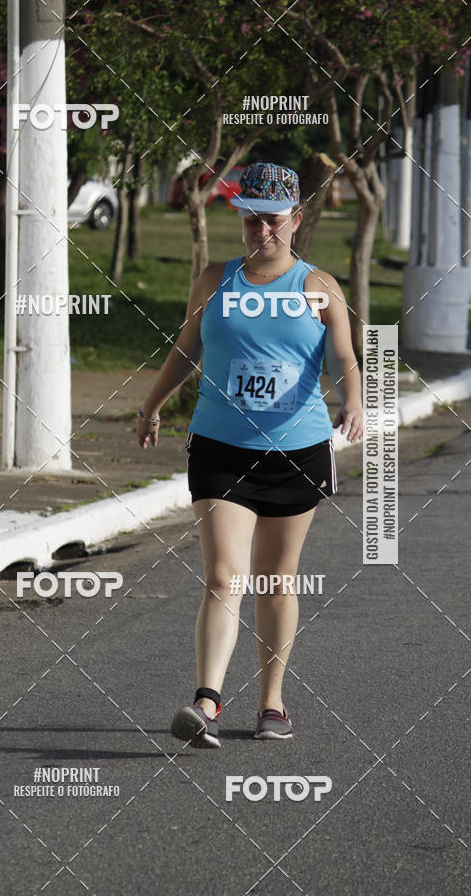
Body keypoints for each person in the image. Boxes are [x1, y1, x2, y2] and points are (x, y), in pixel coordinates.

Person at [136, 162, 363, 748]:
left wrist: (354, 401)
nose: (261, 230)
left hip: (296, 450)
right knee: (222, 576)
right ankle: (206, 702)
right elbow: (185, 349)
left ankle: (272, 702)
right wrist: (152, 405)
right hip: (220, 448)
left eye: (272, 220)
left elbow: (343, 357)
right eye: (250, 219)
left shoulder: (319, 288)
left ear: (296, 218)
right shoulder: (215, 280)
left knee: (275, 581)